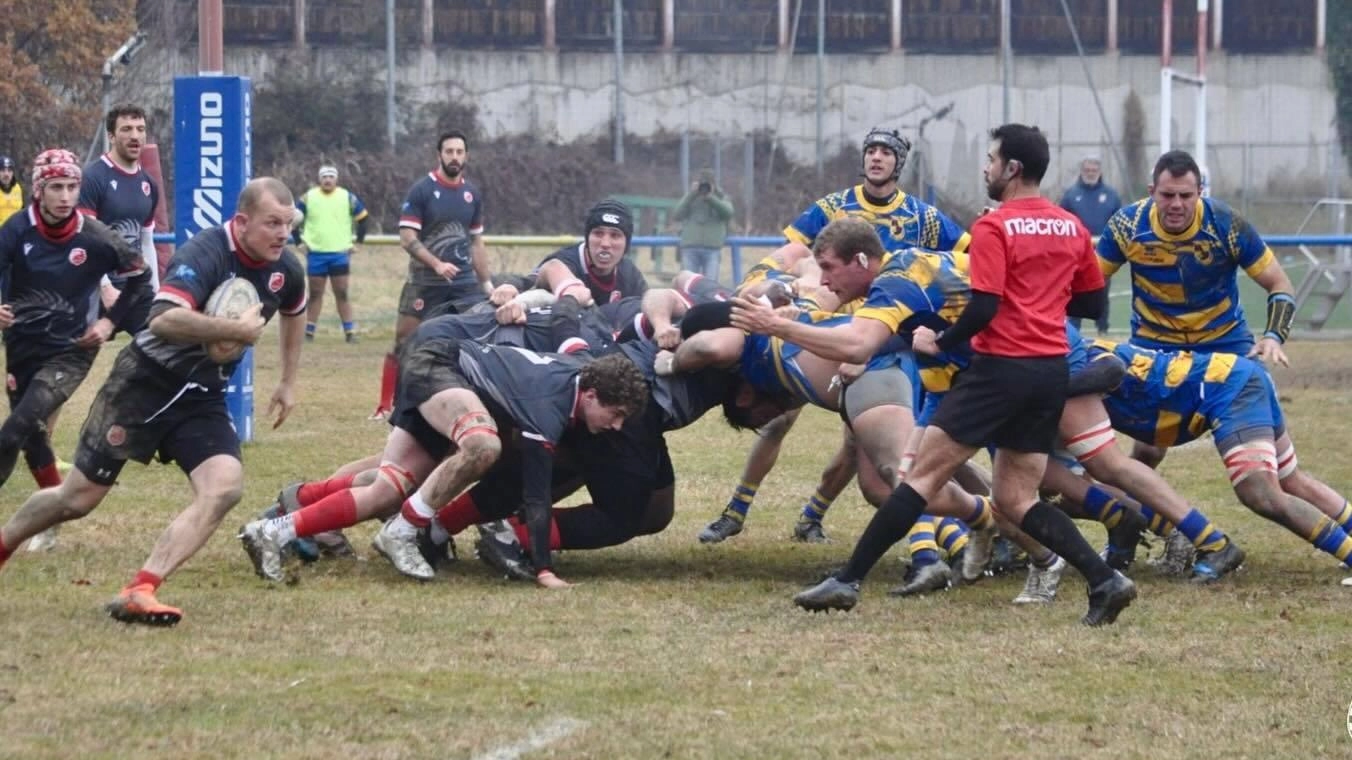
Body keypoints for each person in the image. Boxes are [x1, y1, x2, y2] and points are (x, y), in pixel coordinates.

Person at [733, 124, 1136, 626]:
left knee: (917, 477)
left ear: (1011, 169)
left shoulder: (989, 230)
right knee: (1015, 498)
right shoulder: (1072, 226)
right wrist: (1033, 302)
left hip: (1000, 370)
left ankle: (848, 580)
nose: (985, 168)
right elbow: (1093, 303)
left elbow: (973, 307)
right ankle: (1105, 581)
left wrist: (775, 326)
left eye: (991, 160)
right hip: (1050, 370)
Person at [0, 177, 307, 627]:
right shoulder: (206, 252)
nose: (283, 233)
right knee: (78, 497)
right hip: (144, 384)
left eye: (288, 223)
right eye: (272, 223)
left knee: (224, 487)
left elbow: (295, 308)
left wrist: (288, 381)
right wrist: (233, 332)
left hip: (201, 397)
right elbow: (162, 320)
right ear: (242, 223)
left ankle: (141, 588)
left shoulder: (286, 266)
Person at [697, 126, 970, 545]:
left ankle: (818, 518)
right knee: (778, 422)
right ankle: (736, 510)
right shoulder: (834, 206)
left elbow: (969, 252)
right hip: (818, 332)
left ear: (899, 163)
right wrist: (756, 283)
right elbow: (789, 253)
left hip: (880, 344)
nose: (876, 158)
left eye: (885, 153)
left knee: (876, 443)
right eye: (871, 151)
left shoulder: (923, 217)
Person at [241, 339, 648, 589]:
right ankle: (404, 531)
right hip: (440, 368)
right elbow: (536, 496)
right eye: (616, 414)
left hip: (442, 373)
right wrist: (544, 571)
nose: (617, 426)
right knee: (483, 446)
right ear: (591, 396)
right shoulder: (551, 405)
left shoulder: (577, 376)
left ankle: (272, 531)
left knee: (388, 487)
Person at [1097, 149, 1298, 468]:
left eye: (1185, 195)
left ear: (1200, 193)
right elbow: (1087, 284)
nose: (1176, 204)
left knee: (1274, 454)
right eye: (1167, 195)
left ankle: (1295, 497)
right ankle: (1136, 513)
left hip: (1225, 341)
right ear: (1151, 193)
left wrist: (1273, 337)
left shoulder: (1226, 224)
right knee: (1148, 450)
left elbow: (1280, 283)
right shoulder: (1127, 226)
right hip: (1154, 344)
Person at [0, 149, 152, 497]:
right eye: (56, 187)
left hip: (71, 351)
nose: (66, 196)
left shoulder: (96, 235)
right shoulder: (18, 229)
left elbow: (140, 278)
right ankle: (51, 514)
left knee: (12, 431)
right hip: (23, 347)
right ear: (39, 189)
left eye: (72, 186)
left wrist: (109, 322)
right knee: (33, 438)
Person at [372, 130, 494, 419]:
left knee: (474, 342)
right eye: (449, 151)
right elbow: (406, 237)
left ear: (466, 156)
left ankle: (472, 403)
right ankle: (385, 405)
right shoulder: (422, 191)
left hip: (463, 284)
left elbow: (476, 241)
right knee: (405, 342)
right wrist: (436, 264)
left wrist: (487, 283)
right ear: (439, 154)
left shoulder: (471, 194)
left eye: (459, 152)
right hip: (424, 284)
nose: (454, 157)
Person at [80, 103, 162, 298]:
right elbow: (86, 239)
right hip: (93, 286)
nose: (135, 136)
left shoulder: (149, 184)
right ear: (111, 136)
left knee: (159, 329)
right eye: (126, 129)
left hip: (133, 285)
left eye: (140, 129)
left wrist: (155, 290)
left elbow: (146, 242)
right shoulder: (93, 177)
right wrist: (105, 287)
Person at [293, 164, 368, 343]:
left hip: (339, 253)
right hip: (316, 254)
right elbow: (294, 219)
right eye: (324, 177)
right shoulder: (308, 197)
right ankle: (309, 332)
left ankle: (349, 332)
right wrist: (298, 243)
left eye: (331, 177)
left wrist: (357, 243)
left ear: (336, 179)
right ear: (319, 179)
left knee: (341, 293)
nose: (327, 180)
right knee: (315, 293)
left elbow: (363, 218)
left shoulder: (346, 197)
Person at [1059, 155, 1121, 334]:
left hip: (1103, 253)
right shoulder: (1071, 195)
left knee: (1101, 290)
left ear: (1100, 171)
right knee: (1074, 289)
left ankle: (1103, 329)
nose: (1090, 173)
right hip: (1076, 252)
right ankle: (1073, 329)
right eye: (1087, 170)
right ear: (1081, 171)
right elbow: (1062, 220)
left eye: (1094, 170)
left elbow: (1118, 221)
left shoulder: (1111, 195)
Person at [671, 169, 734, 280]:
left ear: (713, 185)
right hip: (690, 247)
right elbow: (677, 214)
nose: (704, 188)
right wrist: (691, 195)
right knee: (688, 283)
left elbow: (728, 213)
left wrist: (711, 198)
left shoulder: (721, 197)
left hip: (712, 248)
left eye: (707, 184)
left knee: (710, 285)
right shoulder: (691, 197)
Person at [0, 156, 23, 224]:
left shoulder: (17, 188)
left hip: (16, 231)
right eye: (2, 170)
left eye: (9, 170)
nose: (6, 174)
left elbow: (21, 211)